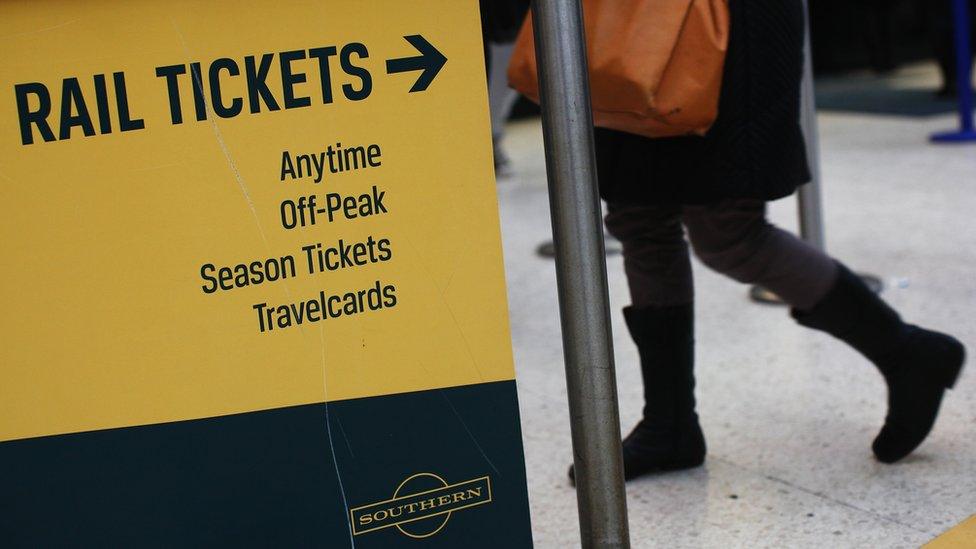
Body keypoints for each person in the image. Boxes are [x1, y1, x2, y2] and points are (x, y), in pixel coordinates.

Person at [570, 0, 966, 482]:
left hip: (728, 21)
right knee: (638, 214)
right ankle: (669, 425)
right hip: (628, 22)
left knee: (729, 229)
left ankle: (906, 351)